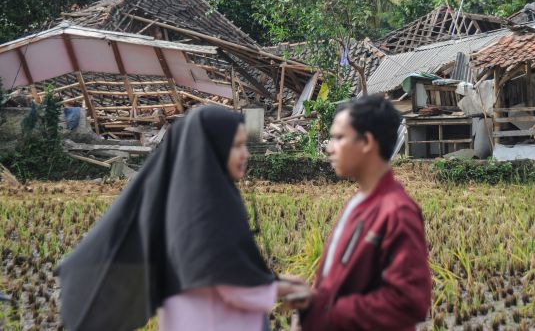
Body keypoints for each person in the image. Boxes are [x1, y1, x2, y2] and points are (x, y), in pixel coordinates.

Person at [56, 106, 307, 331]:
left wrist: (276, 282)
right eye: (236, 146)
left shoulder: (194, 201)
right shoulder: (206, 210)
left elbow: (228, 268)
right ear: (213, 148)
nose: (246, 154)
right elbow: (224, 279)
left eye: (245, 145)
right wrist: (279, 288)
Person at [291, 95, 432, 331]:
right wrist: (310, 305)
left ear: (366, 142)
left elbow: (409, 302)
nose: (328, 148)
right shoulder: (357, 203)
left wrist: (326, 312)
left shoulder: (397, 212)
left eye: (339, 138)